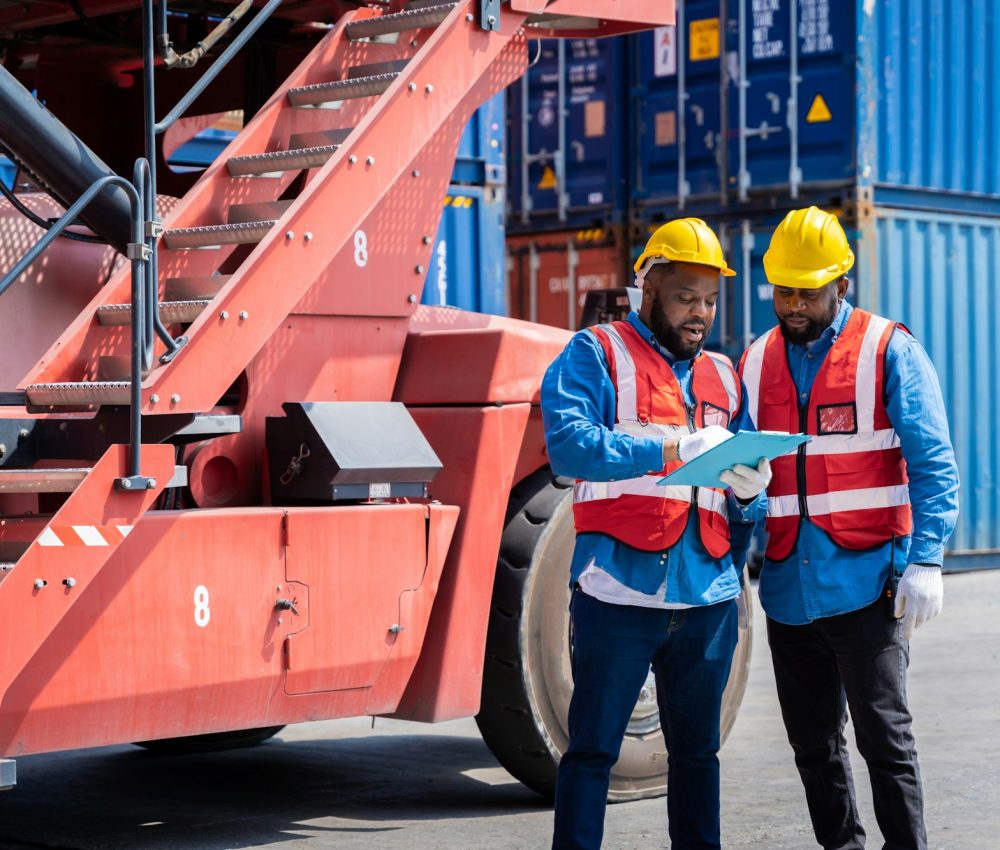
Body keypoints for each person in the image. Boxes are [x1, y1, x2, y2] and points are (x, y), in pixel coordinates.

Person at [541, 218, 770, 850]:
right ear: (648, 291)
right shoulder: (595, 352)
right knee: (592, 752)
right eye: (685, 297)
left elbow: (741, 490)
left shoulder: (724, 375)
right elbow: (569, 447)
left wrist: (750, 495)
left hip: (707, 600)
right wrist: (669, 449)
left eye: (710, 299)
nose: (701, 313)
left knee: (698, 756)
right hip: (618, 595)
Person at [738, 207, 960, 850]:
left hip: (868, 584)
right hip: (788, 591)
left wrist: (927, 559)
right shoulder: (755, 361)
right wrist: (743, 504)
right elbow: (743, 475)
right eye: (784, 291)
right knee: (813, 747)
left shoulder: (889, 349)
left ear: (841, 282)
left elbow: (933, 462)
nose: (794, 304)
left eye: (808, 292)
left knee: (885, 740)